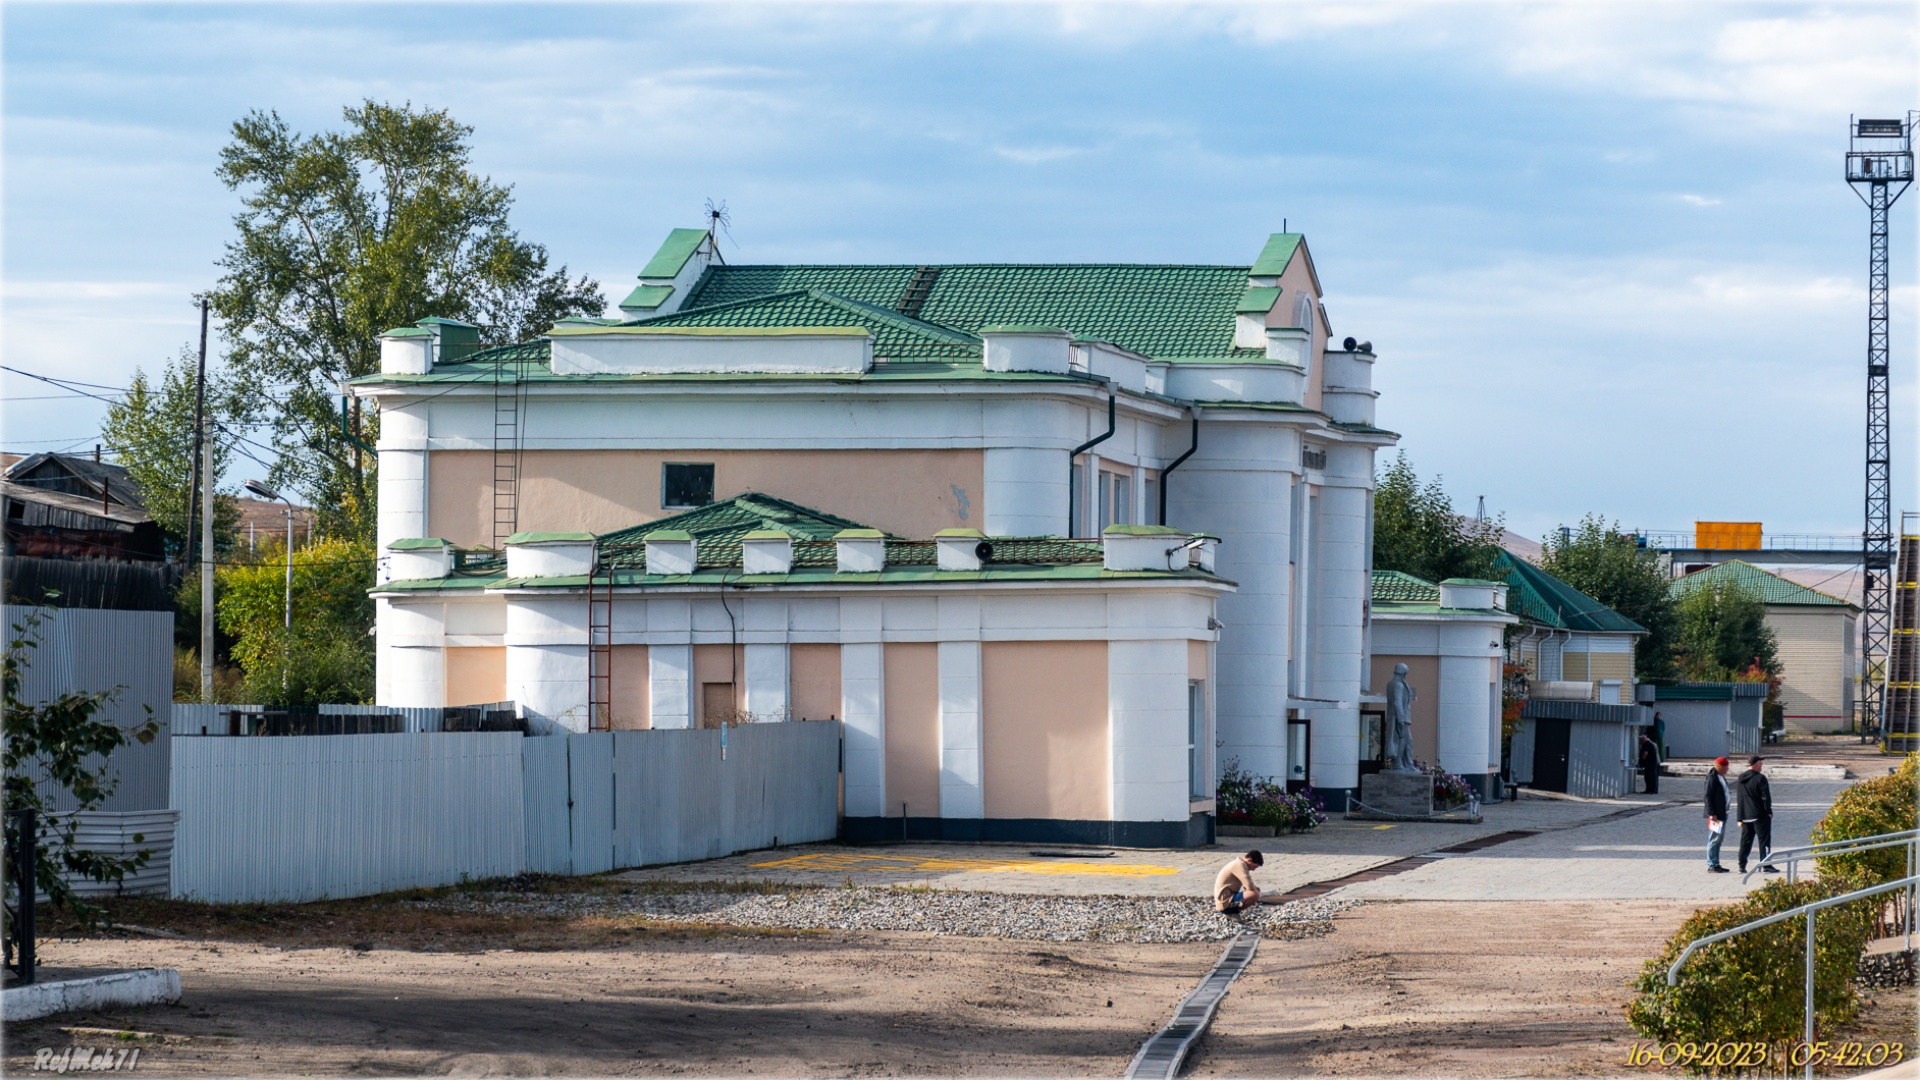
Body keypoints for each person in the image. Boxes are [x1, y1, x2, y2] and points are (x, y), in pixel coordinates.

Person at [1736, 755, 1778, 874]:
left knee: (1745, 841)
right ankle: (1766, 864)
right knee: (1764, 841)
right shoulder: (1760, 778)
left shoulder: (1741, 779)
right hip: (1759, 815)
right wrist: (1768, 811)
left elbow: (1740, 799)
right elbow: (1765, 797)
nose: (1762, 765)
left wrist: (1740, 817)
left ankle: (1742, 865)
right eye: (1760, 763)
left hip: (1745, 815)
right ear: (1755, 764)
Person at [1703, 756, 1732, 873]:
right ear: (1719, 767)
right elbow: (1707, 797)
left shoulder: (1721, 777)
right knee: (1714, 839)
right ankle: (1712, 865)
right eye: (1725, 767)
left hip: (1722, 813)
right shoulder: (1712, 778)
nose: (1727, 770)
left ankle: (1716, 863)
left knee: (1719, 840)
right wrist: (1711, 813)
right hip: (1715, 815)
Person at [1637, 729, 1661, 794]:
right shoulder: (1652, 744)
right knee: (1654, 777)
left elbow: (1645, 753)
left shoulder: (1646, 744)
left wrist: (1642, 759)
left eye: (1641, 740)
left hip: (1650, 764)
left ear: (1643, 739)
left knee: (1648, 777)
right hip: (1655, 763)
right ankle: (1654, 790)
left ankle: (1649, 790)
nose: (1641, 742)